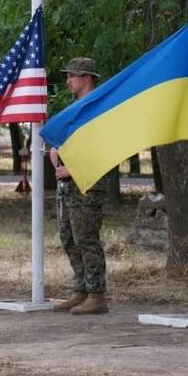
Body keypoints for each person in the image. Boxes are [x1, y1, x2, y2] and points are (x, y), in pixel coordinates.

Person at [50, 58, 109, 315]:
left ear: (87, 78)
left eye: (72, 76)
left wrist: (72, 169)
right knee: (69, 238)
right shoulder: (77, 107)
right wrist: (56, 148)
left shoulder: (98, 108)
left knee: (86, 239)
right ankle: (81, 289)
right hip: (68, 184)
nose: (68, 80)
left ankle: (97, 295)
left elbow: (102, 149)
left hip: (87, 183)